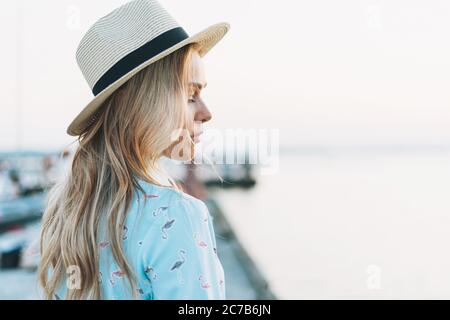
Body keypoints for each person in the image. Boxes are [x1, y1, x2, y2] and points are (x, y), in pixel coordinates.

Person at [38, 0, 230, 300]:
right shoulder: (179, 215)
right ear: (141, 104)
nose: (206, 112)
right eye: (191, 95)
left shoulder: (67, 216)